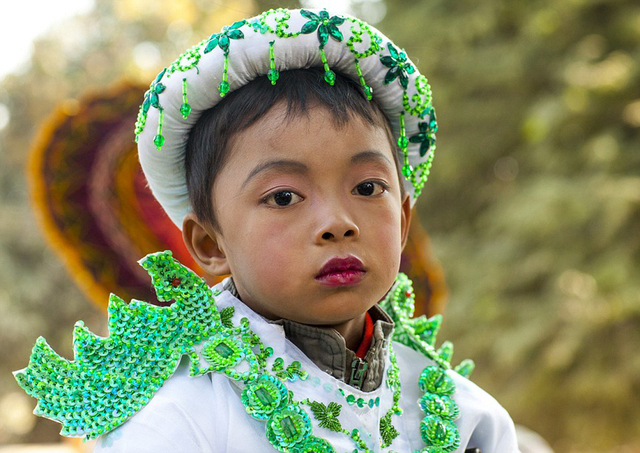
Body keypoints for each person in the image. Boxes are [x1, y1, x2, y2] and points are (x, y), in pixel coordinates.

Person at [15, 8, 520, 452]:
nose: (337, 223)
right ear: (210, 245)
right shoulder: (180, 420)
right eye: (283, 197)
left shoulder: (462, 416)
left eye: (367, 188)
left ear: (404, 219)